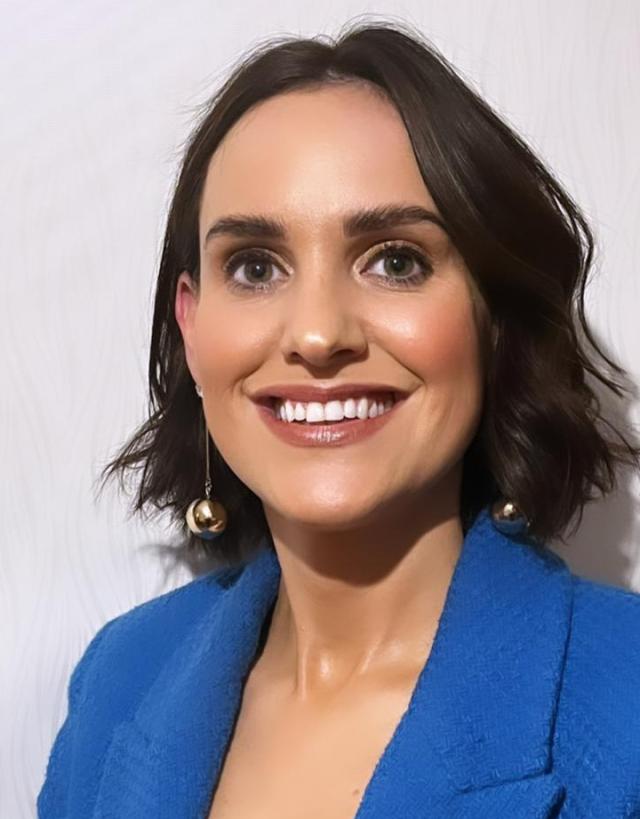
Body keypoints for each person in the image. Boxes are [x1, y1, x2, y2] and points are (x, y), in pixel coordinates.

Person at [37, 19, 640, 819]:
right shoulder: (118, 676)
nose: (319, 334)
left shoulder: (625, 705)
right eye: (255, 267)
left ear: (493, 316)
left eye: (396, 260)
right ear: (192, 326)